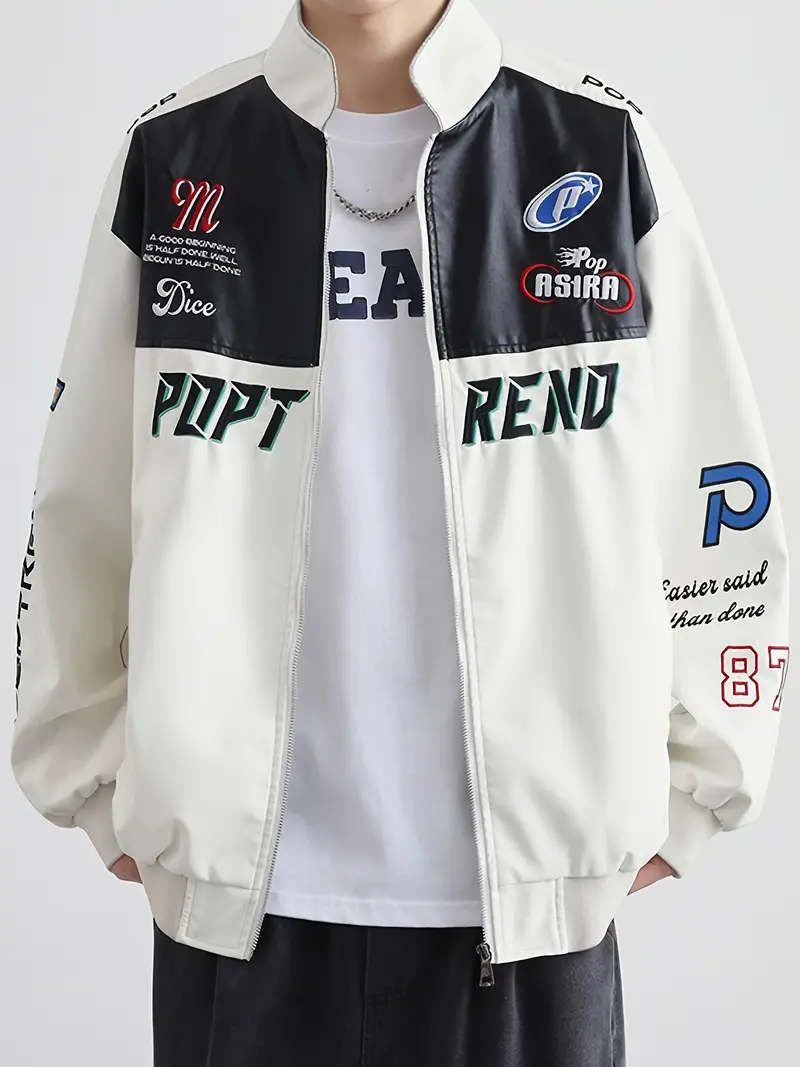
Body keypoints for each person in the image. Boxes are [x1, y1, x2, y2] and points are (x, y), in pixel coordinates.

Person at [10, 0, 790, 1064]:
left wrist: (697, 783)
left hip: (525, 923)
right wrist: (98, 784)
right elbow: (80, 504)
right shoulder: (177, 155)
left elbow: (720, 489)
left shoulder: (597, 146)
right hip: (243, 922)